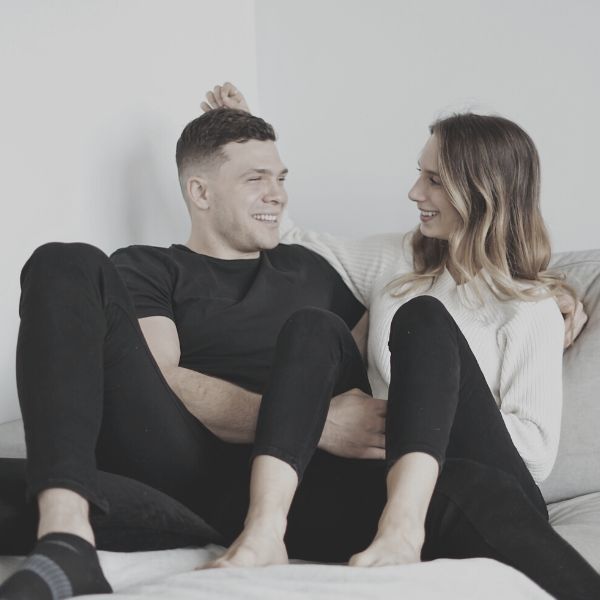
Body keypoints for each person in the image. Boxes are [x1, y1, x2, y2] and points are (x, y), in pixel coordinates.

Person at [0, 91, 591, 600]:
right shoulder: (148, 268)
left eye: (282, 179)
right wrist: (316, 423)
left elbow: (429, 345)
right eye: (257, 179)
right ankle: (66, 533)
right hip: (177, 459)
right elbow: (161, 380)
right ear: (200, 192)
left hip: (310, 487)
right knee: (63, 260)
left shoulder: (315, 271)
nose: (277, 195)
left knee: (347, 336)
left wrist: (550, 290)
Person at [197, 86, 600, 600]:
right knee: (312, 326)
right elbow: (297, 238)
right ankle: (263, 530)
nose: (414, 192)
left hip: (482, 482)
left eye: (433, 180)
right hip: (382, 485)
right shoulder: (400, 262)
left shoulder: (530, 308)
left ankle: (403, 532)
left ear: (481, 191)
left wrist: (415, 421)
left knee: (424, 319)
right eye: (419, 174)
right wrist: (245, 136)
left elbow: (537, 459)